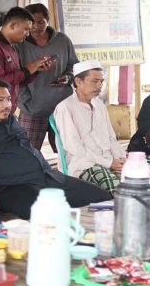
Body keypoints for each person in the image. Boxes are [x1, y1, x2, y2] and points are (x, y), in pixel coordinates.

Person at [0, 77, 110, 219]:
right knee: (50, 214)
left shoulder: (10, 120)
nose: (7, 105)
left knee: (103, 200)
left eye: (8, 99)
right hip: (10, 188)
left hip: (49, 178)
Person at [53, 59, 128, 195]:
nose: (99, 85)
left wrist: (121, 158)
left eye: (101, 82)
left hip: (108, 160)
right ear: (78, 81)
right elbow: (75, 148)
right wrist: (109, 163)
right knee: (120, 190)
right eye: (94, 81)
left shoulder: (99, 105)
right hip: (83, 164)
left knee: (142, 177)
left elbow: (111, 137)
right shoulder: (65, 108)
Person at [15, 3, 79, 151]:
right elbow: (16, 76)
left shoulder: (62, 40)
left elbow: (74, 66)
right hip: (31, 109)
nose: (36, 27)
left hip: (62, 106)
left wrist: (67, 78)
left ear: (48, 21)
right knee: (27, 152)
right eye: (32, 23)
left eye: (40, 22)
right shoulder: (19, 44)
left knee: (67, 151)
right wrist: (25, 101)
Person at [0, 6, 55, 113]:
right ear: (13, 25)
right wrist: (26, 70)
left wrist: (35, 70)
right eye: (26, 30)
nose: (27, 34)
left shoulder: (10, 47)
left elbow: (16, 80)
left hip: (4, 110)